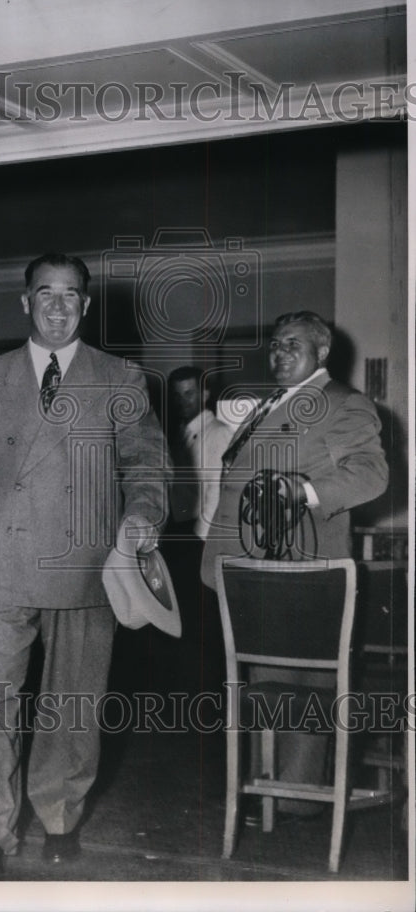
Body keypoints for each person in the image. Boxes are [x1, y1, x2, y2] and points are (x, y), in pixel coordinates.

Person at [0, 253, 167, 875]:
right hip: (0, 557)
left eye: (70, 295)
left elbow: (146, 463)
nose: (57, 305)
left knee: (74, 703)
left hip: (89, 561)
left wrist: (142, 515)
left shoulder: (120, 377)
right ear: (25, 301)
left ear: (86, 305)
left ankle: (59, 815)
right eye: (44, 293)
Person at [201, 310, 388, 815]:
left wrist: (303, 490)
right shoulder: (269, 404)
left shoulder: (343, 404)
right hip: (247, 569)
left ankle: (297, 802)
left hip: (299, 572)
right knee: (266, 683)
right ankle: (270, 795)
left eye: (292, 345)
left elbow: (371, 475)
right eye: (275, 345)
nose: (279, 353)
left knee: (303, 686)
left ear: (322, 353)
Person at [166, 366, 234, 694]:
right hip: (181, 537)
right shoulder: (181, 434)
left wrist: (200, 546)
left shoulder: (218, 433)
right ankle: (190, 691)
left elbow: (216, 493)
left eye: (189, 393)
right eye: (177, 395)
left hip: (200, 541)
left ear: (205, 394)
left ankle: (207, 695)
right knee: (185, 622)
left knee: (202, 625)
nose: (183, 401)